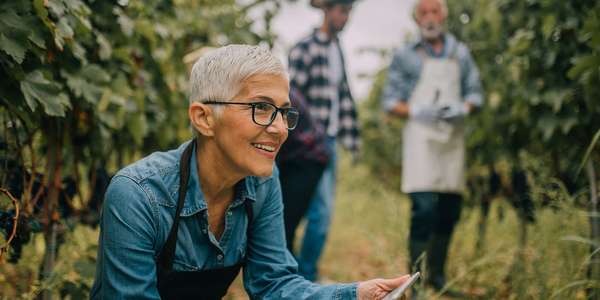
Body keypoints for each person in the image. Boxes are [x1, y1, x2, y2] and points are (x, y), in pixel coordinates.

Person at [91, 44, 408, 299]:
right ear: (204, 118)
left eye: (284, 112)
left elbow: (273, 285)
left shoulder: (263, 184)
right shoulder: (137, 194)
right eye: (262, 108)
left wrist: (354, 295)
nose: (281, 129)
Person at [381, 0, 483, 293]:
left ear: (443, 15)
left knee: (450, 208)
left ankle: (438, 277)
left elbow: (476, 93)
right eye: (423, 13)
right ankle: (414, 282)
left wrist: (463, 107)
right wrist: (415, 110)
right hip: (421, 139)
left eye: (434, 11)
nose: (429, 18)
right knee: (423, 208)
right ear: (416, 19)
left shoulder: (460, 54)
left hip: (452, 140)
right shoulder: (405, 56)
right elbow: (390, 101)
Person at [287, 0, 361, 282]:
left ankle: (302, 273)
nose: (345, 18)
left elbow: (342, 98)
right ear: (327, 11)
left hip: (328, 144)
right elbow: (293, 97)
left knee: (320, 214)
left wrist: (351, 138)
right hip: (306, 147)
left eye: (349, 13)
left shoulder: (337, 51)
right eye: (342, 11)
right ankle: (299, 274)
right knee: (306, 211)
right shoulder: (304, 48)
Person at [277, 87, 330, 255]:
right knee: (282, 222)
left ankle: (287, 274)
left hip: (308, 159)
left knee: (285, 223)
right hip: (293, 158)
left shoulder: (279, 94)